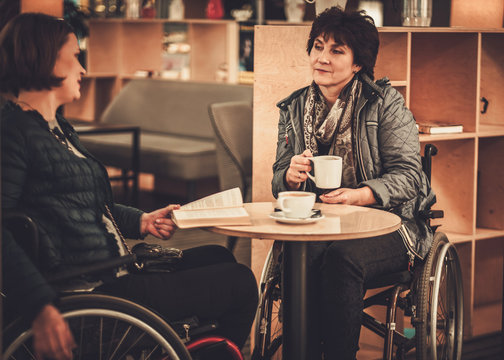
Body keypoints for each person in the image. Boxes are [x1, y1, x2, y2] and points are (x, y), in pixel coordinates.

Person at [0, 13, 258, 360]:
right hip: (93, 289)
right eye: (75, 56)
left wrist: (141, 221)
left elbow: (85, 205)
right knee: (240, 283)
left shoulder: (56, 127)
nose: (83, 69)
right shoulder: (14, 133)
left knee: (219, 255)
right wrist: (40, 307)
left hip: (110, 270)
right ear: (46, 58)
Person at [271, 7, 436, 359]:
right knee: (301, 252)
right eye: (318, 46)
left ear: (358, 63)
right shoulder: (295, 107)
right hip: (321, 224)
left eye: (336, 50)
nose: (322, 58)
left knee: (342, 258)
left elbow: (410, 176)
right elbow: (278, 179)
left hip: (393, 226)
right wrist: (289, 175)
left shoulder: (385, 104)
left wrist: (362, 194)